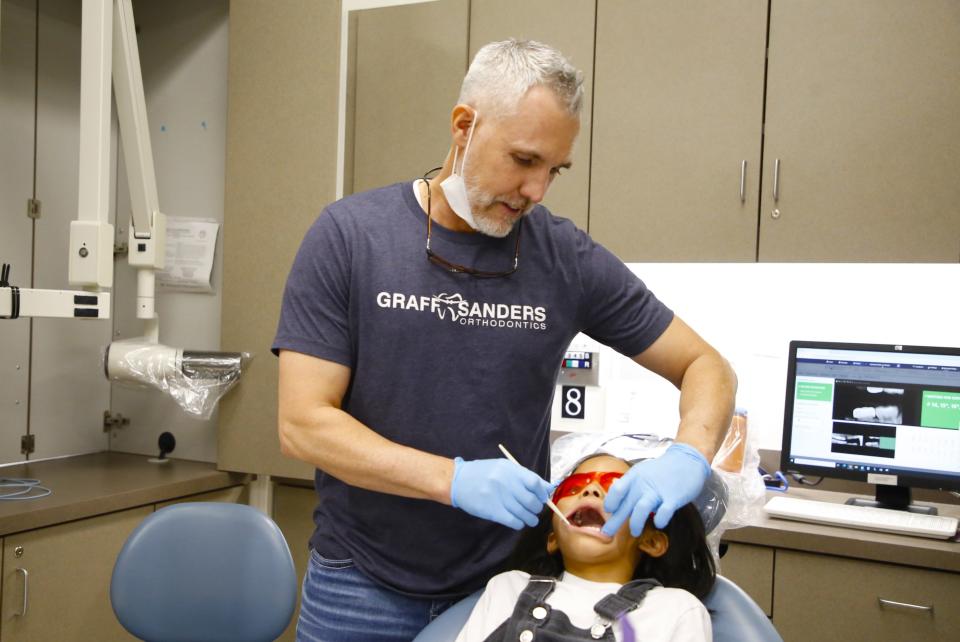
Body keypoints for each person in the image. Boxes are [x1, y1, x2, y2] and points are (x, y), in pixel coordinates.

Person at [273, 39, 736, 641]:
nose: (538, 191)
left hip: (506, 586)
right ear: (464, 127)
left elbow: (706, 365)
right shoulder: (350, 237)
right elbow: (303, 423)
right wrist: (453, 480)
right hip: (361, 584)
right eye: (523, 160)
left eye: (555, 170)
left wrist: (689, 456)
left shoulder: (563, 257)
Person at [455, 453, 715, 641]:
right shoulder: (508, 587)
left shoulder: (674, 609)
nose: (590, 489)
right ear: (552, 539)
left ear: (651, 541)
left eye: (614, 488)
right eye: (574, 487)